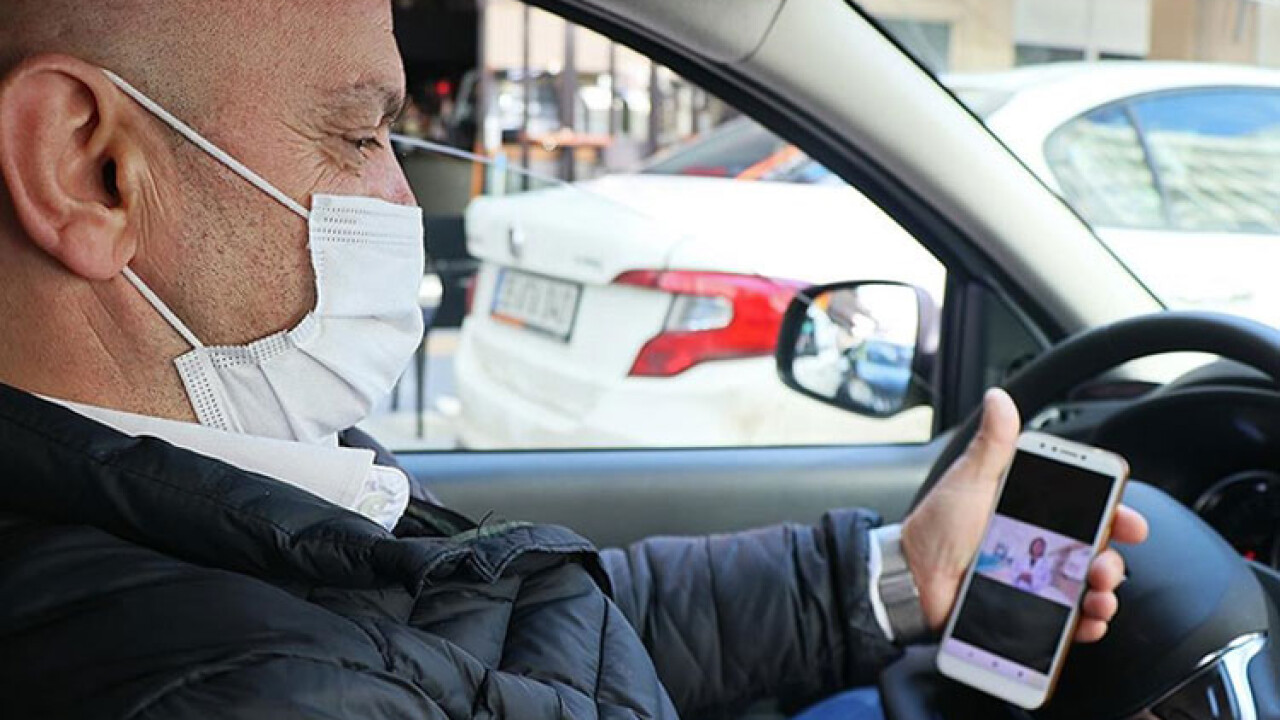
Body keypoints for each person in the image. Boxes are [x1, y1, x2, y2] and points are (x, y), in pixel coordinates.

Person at [0, 2, 1148, 718]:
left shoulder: (219, 486)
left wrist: (896, 575)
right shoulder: (238, 689)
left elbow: (531, 641)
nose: (403, 197)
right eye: (356, 135)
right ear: (87, 169)